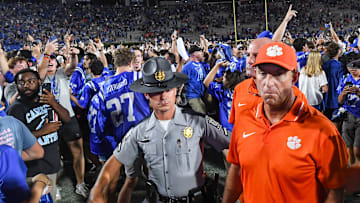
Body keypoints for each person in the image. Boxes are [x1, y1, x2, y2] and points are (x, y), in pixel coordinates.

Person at [89, 57, 230, 203]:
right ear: (146, 95)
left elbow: (233, 144)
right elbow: (113, 163)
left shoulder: (198, 121)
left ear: (176, 89)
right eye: (156, 91)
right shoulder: (139, 131)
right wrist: (98, 189)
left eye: (167, 89)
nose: (163, 96)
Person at [223, 42, 348, 203]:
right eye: (262, 73)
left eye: (279, 74)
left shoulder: (323, 131)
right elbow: (237, 170)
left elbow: (335, 190)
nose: (268, 82)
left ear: (294, 77)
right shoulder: (245, 120)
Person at [6, 69, 71, 199]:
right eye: (21, 82)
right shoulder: (15, 109)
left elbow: (67, 118)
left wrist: (53, 103)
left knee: (50, 199)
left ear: (39, 82)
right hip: (31, 170)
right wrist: (42, 131)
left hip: (51, 163)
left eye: (31, 81)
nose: (26, 85)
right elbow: (13, 141)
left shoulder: (47, 100)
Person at [338, 58, 360, 164]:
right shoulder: (345, 79)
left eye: (355, 68)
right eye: (350, 68)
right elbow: (340, 101)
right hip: (348, 115)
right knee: (348, 148)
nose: (352, 70)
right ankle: (352, 172)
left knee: (357, 150)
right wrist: (343, 94)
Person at [181, 45, 207, 114]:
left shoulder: (200, 65)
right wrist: (178, 96)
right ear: (194, 54)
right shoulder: (187, 67)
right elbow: (181, 82)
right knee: (201, 116)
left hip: (201, 95)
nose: (202, 53)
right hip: (192, 96)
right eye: (199, 51)